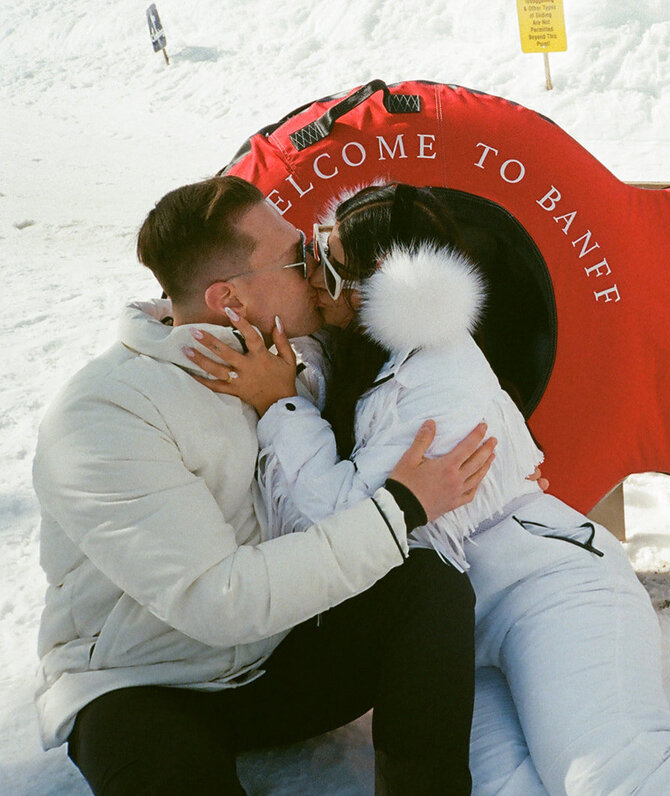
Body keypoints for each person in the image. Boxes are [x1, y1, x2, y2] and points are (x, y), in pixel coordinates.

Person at [191, 181, 670, 795]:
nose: (312, 276)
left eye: (329, 262)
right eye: (313, 250)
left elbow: (348, 524)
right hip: (462, 627)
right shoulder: (364, 354)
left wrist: (281, 406)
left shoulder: (437, 377)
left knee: (610, 778)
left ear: (384, 283)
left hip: (547, 590)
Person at [31, 176, 498, 795]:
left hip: (275, 658)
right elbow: (220, 600)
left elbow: (429, 357)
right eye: (298, 257)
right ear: (229, 298)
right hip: (146, 686)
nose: (317, 269)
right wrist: (401, 508)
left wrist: (513, 455)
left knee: (429, 587)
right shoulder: (104, 416)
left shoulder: (299, 352)